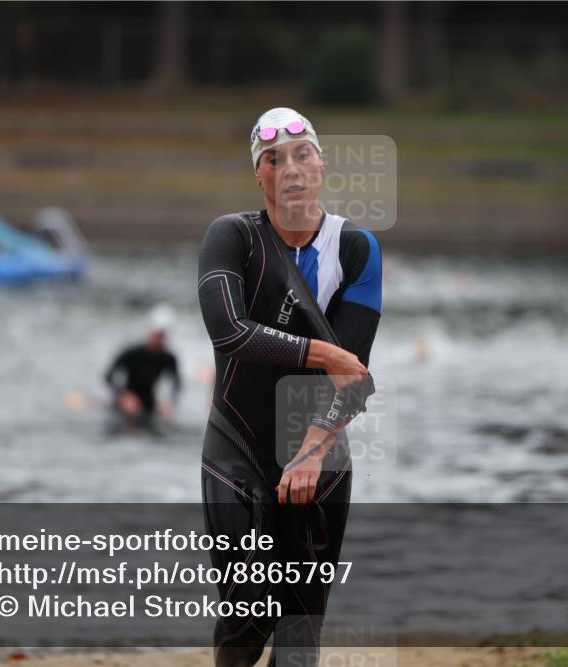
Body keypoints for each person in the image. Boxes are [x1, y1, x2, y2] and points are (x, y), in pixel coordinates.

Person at [197, 107, 383, 666]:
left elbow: (357, 380)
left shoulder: (356, 250)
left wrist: (313, 449)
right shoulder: (232, 237)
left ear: (322, 164)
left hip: (320, 453)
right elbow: (229, 331)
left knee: (300, 638)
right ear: (260, 175)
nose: (292, 169)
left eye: (304, 155)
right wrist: (321, 352)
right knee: (246, 617)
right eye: (274, 159)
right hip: (237, 444)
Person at [104, 305, 181, 430]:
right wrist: (123, 396)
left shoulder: (169, 358)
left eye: (162, 336)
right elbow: (108, 375)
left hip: (148, 404)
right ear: (149, 331)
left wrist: (170, 403)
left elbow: (177, 383)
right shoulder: (132, 352)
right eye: (157, 334)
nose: (159, 340)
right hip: (124, 403)